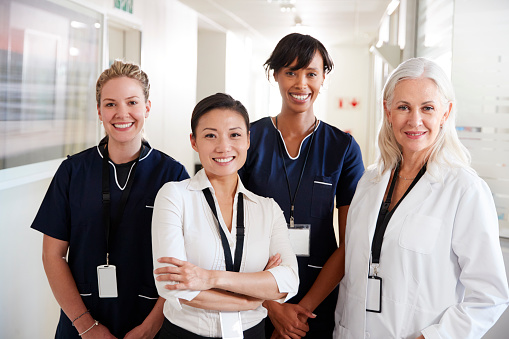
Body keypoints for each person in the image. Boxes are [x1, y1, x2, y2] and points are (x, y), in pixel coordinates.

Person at [328, 57, 509, 338]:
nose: (415, 120)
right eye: (403, 107)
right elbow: (352, 275)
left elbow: (490, 295)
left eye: (427, 108)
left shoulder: (465, 190)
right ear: (388, 112)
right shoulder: (370, 181)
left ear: (445, 113)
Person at [31, 60, 189, 338]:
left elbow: (184, 261)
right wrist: (86, 326)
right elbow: (52, 255)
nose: (122, 113)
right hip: (81, 322)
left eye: (132, 102)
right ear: (99, 111)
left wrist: (152, 326)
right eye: (111, 104)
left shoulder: (172, 174)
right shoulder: (72, 172)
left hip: (151, 323)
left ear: (147, 108)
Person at [239, 33, 365, 338]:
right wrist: (273, 306)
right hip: (254, 294)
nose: (301, 84)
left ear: (323, 78)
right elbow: (231, 232)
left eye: (311, 73)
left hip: (319, 297)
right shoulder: (249, 139)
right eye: (291, 72)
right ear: (276, 75)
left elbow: (352, 243)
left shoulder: (343, 148)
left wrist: (301, 313)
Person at [151, 93, 300, 339]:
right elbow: (172, 287)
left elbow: (288, 281)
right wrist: (256, 297)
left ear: (248, 140)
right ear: (194, 141)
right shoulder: (174, 196)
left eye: (234, 134)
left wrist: (207, 278)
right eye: (210, 135)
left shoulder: (267, 209)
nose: (223, 147)